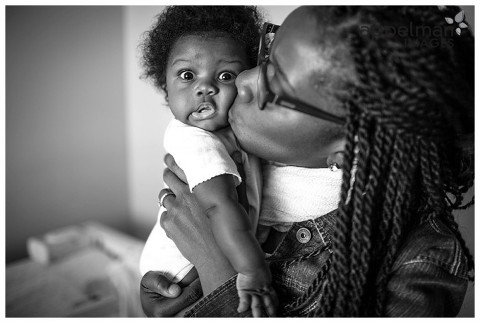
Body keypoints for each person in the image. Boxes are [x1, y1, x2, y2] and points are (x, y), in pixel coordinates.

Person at [140, 6, 474, 317]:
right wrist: (176, 291)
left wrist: (217, 267)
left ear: (350, 145)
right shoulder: (228, 151)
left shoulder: (417, 269)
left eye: (274, 83)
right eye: (266, 55)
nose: (243, 79)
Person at [138, 6, 278, 317]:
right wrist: (253, 271)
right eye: (187, 75)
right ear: (165, 86)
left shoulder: (235, 133)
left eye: (225, 75)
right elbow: (218, 207)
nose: (206, 87)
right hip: (182, 273)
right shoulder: (195, 140)